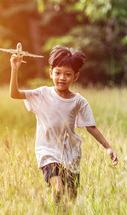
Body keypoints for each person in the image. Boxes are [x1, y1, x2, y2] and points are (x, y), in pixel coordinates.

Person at [9, 46, 118, 202]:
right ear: (51, 72)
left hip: (71, 154)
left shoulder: (78, 101)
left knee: (70, 198)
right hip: (47, 153)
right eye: (58, 73)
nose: (62, 78)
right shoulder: (42, 94)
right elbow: (14, 94)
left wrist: (108, 147)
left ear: (75, 76)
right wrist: (14, 69)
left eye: (68, 74)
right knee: (58, 189)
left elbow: (90, 126)